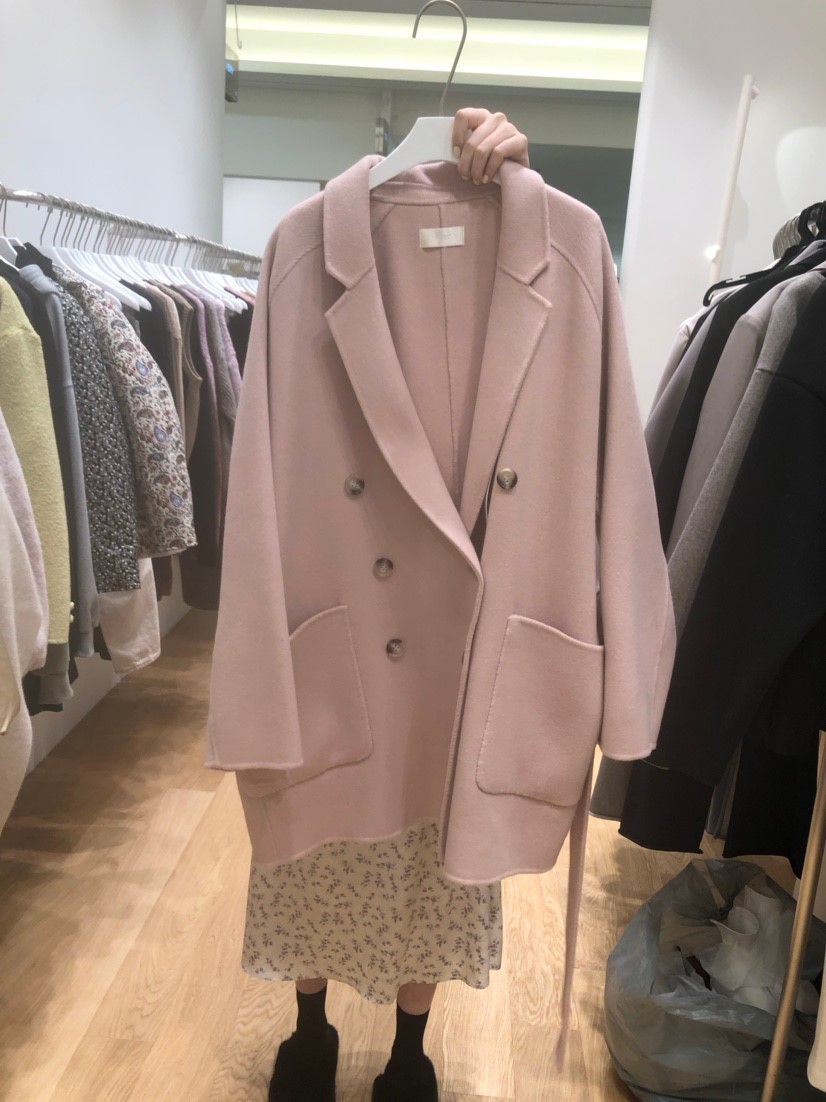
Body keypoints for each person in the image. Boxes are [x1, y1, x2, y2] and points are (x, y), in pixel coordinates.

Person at [237, 107, 532, 1102]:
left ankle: (410, 1050)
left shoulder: (540, 247)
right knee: (315, 833)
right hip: (339, 621)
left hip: (465, 638)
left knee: (438, 857)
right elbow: (257, 473)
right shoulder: (300, 251)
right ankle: (309, 1025)